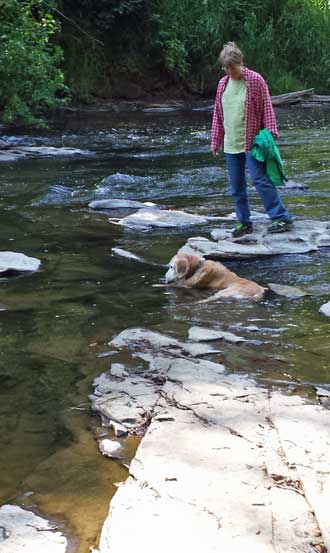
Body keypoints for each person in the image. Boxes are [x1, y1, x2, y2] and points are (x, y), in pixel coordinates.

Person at [211, 41, 293, 237]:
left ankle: (281, 217)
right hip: (231, 144)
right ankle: (244, 222)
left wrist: (271, 133)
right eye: (227, 68)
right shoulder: (223, 84)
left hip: (252, 142)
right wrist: (215, 140)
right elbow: (217, 113)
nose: (230, 71)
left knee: (260, 180)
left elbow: (267, 107)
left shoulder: (255, 80)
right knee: (237, 186)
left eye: (233, 67)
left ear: (241, 63)